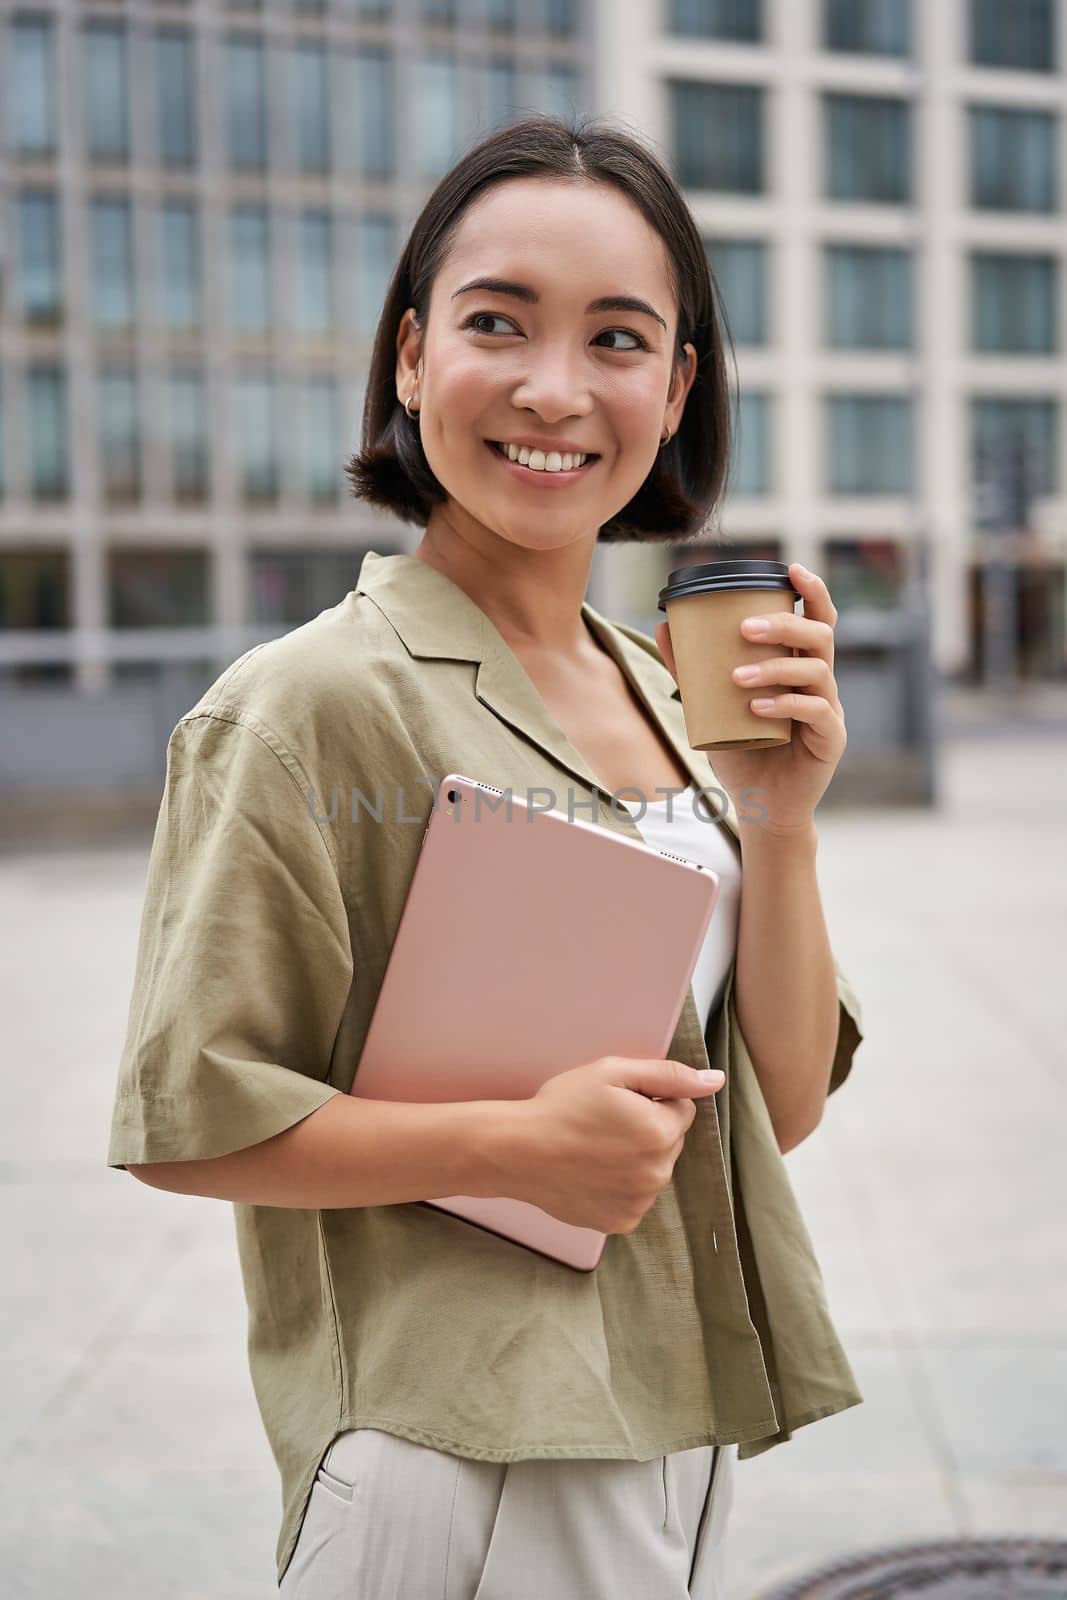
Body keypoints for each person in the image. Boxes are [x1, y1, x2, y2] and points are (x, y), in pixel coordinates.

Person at [105, 113, 865, 1598]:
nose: (553, 389)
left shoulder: (659, 685)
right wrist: (510, 1146)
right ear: (408, 357)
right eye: (497, 323)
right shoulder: (305, 703)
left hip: (671, 1431)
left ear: (679, 386)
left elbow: (775, 1106)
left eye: (618, 339)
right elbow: (188, 1119)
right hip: (457, 1458)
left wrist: (778, 819)